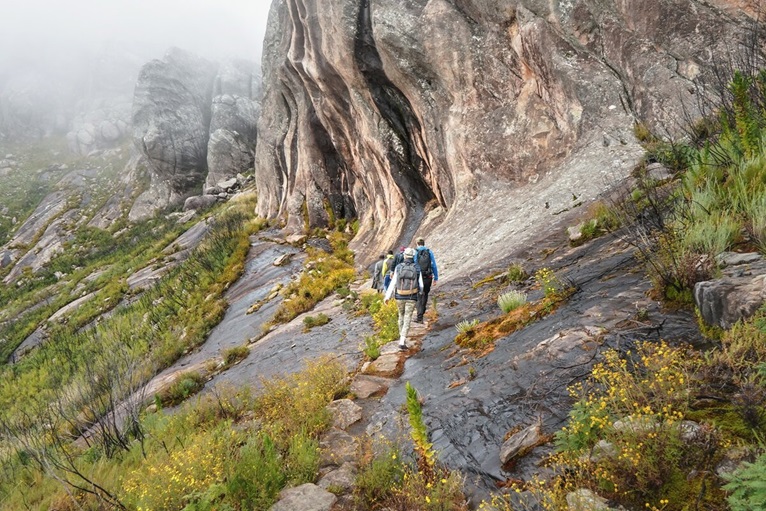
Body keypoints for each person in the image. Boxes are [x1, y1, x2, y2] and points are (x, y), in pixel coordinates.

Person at [384, 247, 423, 350]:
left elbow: (393, 283)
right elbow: (421, 284)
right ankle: (402, 339)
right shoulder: (417, 268)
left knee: (401, 315)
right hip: (412, 296)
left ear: (404, 256)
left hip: (399, 295)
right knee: (408, 317)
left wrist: (387, 297)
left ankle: (402, 338)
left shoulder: (398, 267)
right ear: (413, 256)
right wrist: (420, 291)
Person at [413, 237, 438, 323]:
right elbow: (434, 265)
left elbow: (414, 264)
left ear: (417, 243)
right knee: (425, 294)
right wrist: (436, 277)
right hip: (428, 277)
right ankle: (422, 312)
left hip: (419, 277)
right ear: (424, 243)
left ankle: (419, 317)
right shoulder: (429, 251)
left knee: (418, 295)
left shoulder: (415, 252)